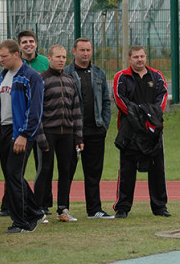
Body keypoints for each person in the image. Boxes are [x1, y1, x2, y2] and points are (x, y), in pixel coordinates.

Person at [0, 39, 46, 233]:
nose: (1, 60)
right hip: (5, 130)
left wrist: (24, 134)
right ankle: (35, 212)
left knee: (14, 174)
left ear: (16, 54)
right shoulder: (4, 75)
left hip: (20, 131)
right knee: (10, 175)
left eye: (4, 56)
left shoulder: (31, 77)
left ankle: (21, 222)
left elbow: (35, 109)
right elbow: (1, 105)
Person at [113, 45, 169, 218]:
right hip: (129, 131)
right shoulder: (121, 77)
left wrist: (149, 118)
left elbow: (163, 99)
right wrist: (139, 117)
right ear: (129, 59)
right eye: (136, 57)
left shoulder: (157, 76)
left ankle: (160, 207)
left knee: (157, 169)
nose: (140, 60)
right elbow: (121, 102)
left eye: (142, 56)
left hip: (153, 131)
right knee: (127, 171)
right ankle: (122, 208)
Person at [64, 38, 114, 219]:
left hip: (95, 131)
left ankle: (94, 210)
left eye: (88, 50)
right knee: (67, 171)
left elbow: (107, 102)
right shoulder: (67, 73)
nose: (85, 53)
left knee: (93, 173)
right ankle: (63, 209)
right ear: (74, 51)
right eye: (82, 50)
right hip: (72, 132)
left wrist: (104, 126)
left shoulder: (99, 73)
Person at [34, 44, 83, 222]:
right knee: (45, 170)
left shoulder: (70, 80)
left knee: (66, 170)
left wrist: (78, 136)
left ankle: (63, 209)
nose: (61, 60)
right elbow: (36, 111)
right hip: (48, 133)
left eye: (63, 57)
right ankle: (38, 210)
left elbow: (76, 110)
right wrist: (40, 136)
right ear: (49, 58)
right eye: (57, 57)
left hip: (67, 134)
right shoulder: (41, 80)